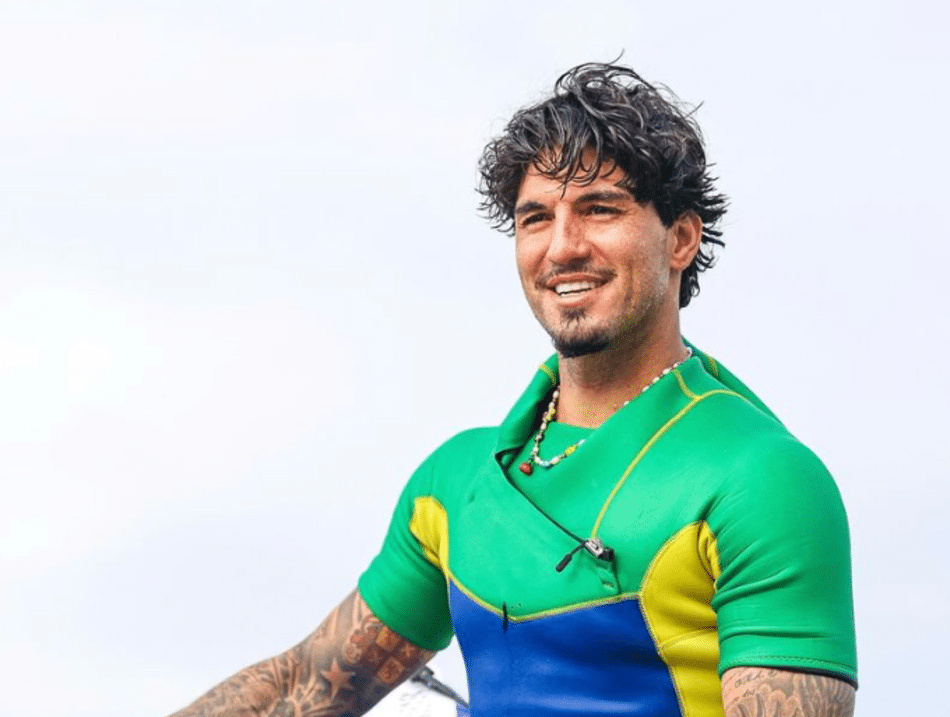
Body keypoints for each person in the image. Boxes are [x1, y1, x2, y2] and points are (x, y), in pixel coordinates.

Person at [168, 62, 857, 717]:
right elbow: (303, 689)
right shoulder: (458, 482)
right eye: (536, 218)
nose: (563, 247)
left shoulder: (758, 478)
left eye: (599, 209)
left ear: (680, 239)